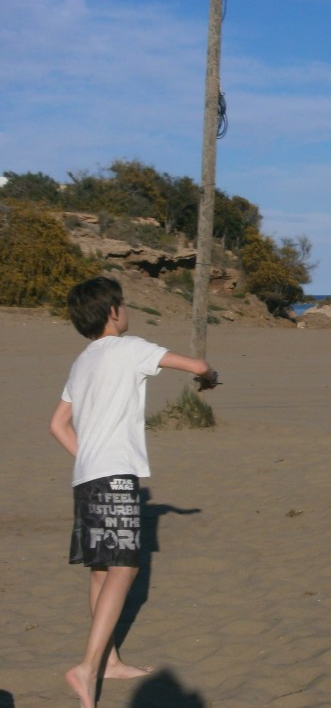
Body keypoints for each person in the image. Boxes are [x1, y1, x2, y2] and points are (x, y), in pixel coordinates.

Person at [49, 276, 220, 708]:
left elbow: (57, 425)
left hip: (87, 476)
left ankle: (108, 661)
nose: (126, 310)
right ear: (112, 311)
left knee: (101, 570)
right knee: (124, 568)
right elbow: (197, 366)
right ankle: (88, 668)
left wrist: (90, 457)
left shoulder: (81, 362)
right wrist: (211, 377)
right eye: (122, 304)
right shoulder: (129, 348)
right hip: (114, 475)